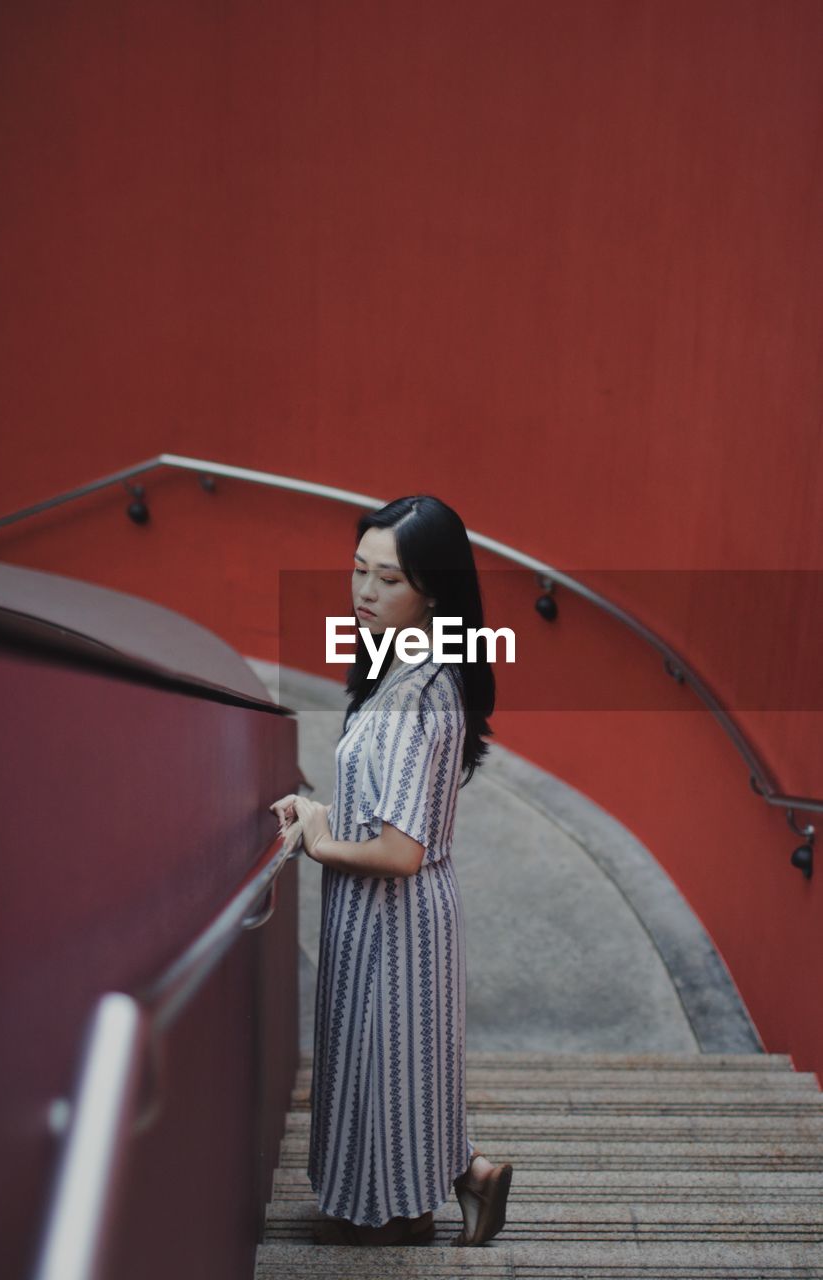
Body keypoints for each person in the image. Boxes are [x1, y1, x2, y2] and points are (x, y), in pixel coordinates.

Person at [270, 494, 513, 1247]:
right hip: (392, 914)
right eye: (358, 572)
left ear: (432, 590)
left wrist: (316, 836)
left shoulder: (418, 694)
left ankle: (404, 1220)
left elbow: (398, 852)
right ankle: (469, 1176)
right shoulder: (403, 665)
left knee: (389, 1075)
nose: (364, 593)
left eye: (388, 580)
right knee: (404, 1072)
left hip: (395, 916)